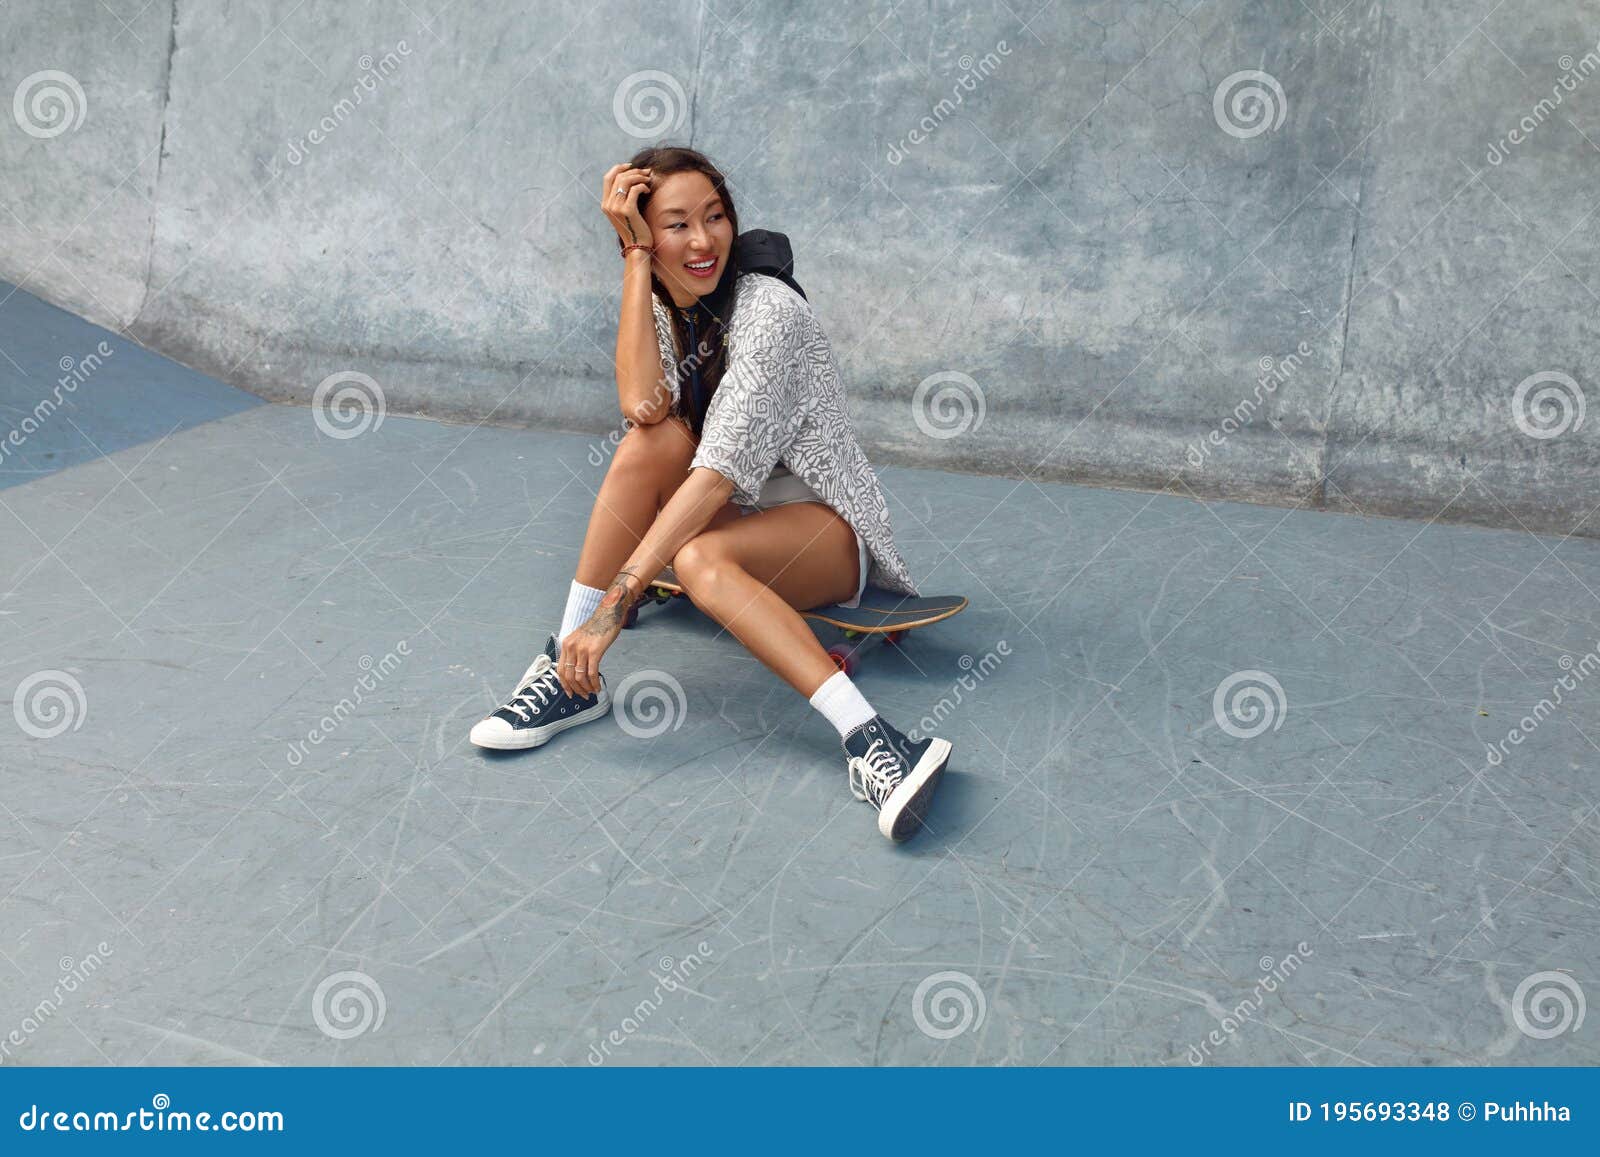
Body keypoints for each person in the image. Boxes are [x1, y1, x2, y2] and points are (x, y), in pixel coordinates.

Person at [469, 146, 951, 842]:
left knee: (695, 562)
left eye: (715, 216)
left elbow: (719, 473)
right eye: (675, 225)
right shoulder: (676, 303)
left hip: (821, 535)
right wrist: (635, 262)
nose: (702, 241)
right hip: (728, 521)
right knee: (651, 441)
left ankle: (875, 740)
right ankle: (567, 670)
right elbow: (642, 404)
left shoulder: (770, 312)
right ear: (643, 233)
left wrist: (620, 600)